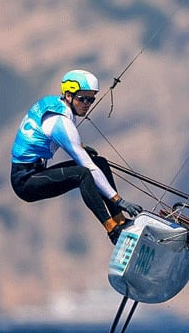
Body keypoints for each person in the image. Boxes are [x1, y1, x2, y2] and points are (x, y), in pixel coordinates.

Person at [10, 69, 143, 243]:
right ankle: (113, 230)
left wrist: (82, 148)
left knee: (100, 162)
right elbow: (86, 164)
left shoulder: (56, 104)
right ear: (68, 95)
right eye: (83, 99)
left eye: (91, 99)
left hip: (35, 170)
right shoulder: (59, 121)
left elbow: (55, 139)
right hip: (25, 182)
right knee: (83, 173)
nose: (87, 104)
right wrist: (119, 200)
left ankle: (121, 221)